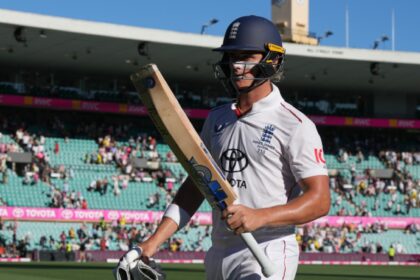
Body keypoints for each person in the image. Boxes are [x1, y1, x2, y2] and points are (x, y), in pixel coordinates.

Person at [116, 15, 330, 280]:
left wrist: (260, 217)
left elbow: (320, 201)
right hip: (219, 254)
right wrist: (153, 242)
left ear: (272, 60)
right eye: (231, 57)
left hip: (268, 251)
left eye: (246, 57)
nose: (236, 66)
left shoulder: (295, 124)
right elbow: (196, 186)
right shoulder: (217, 118)